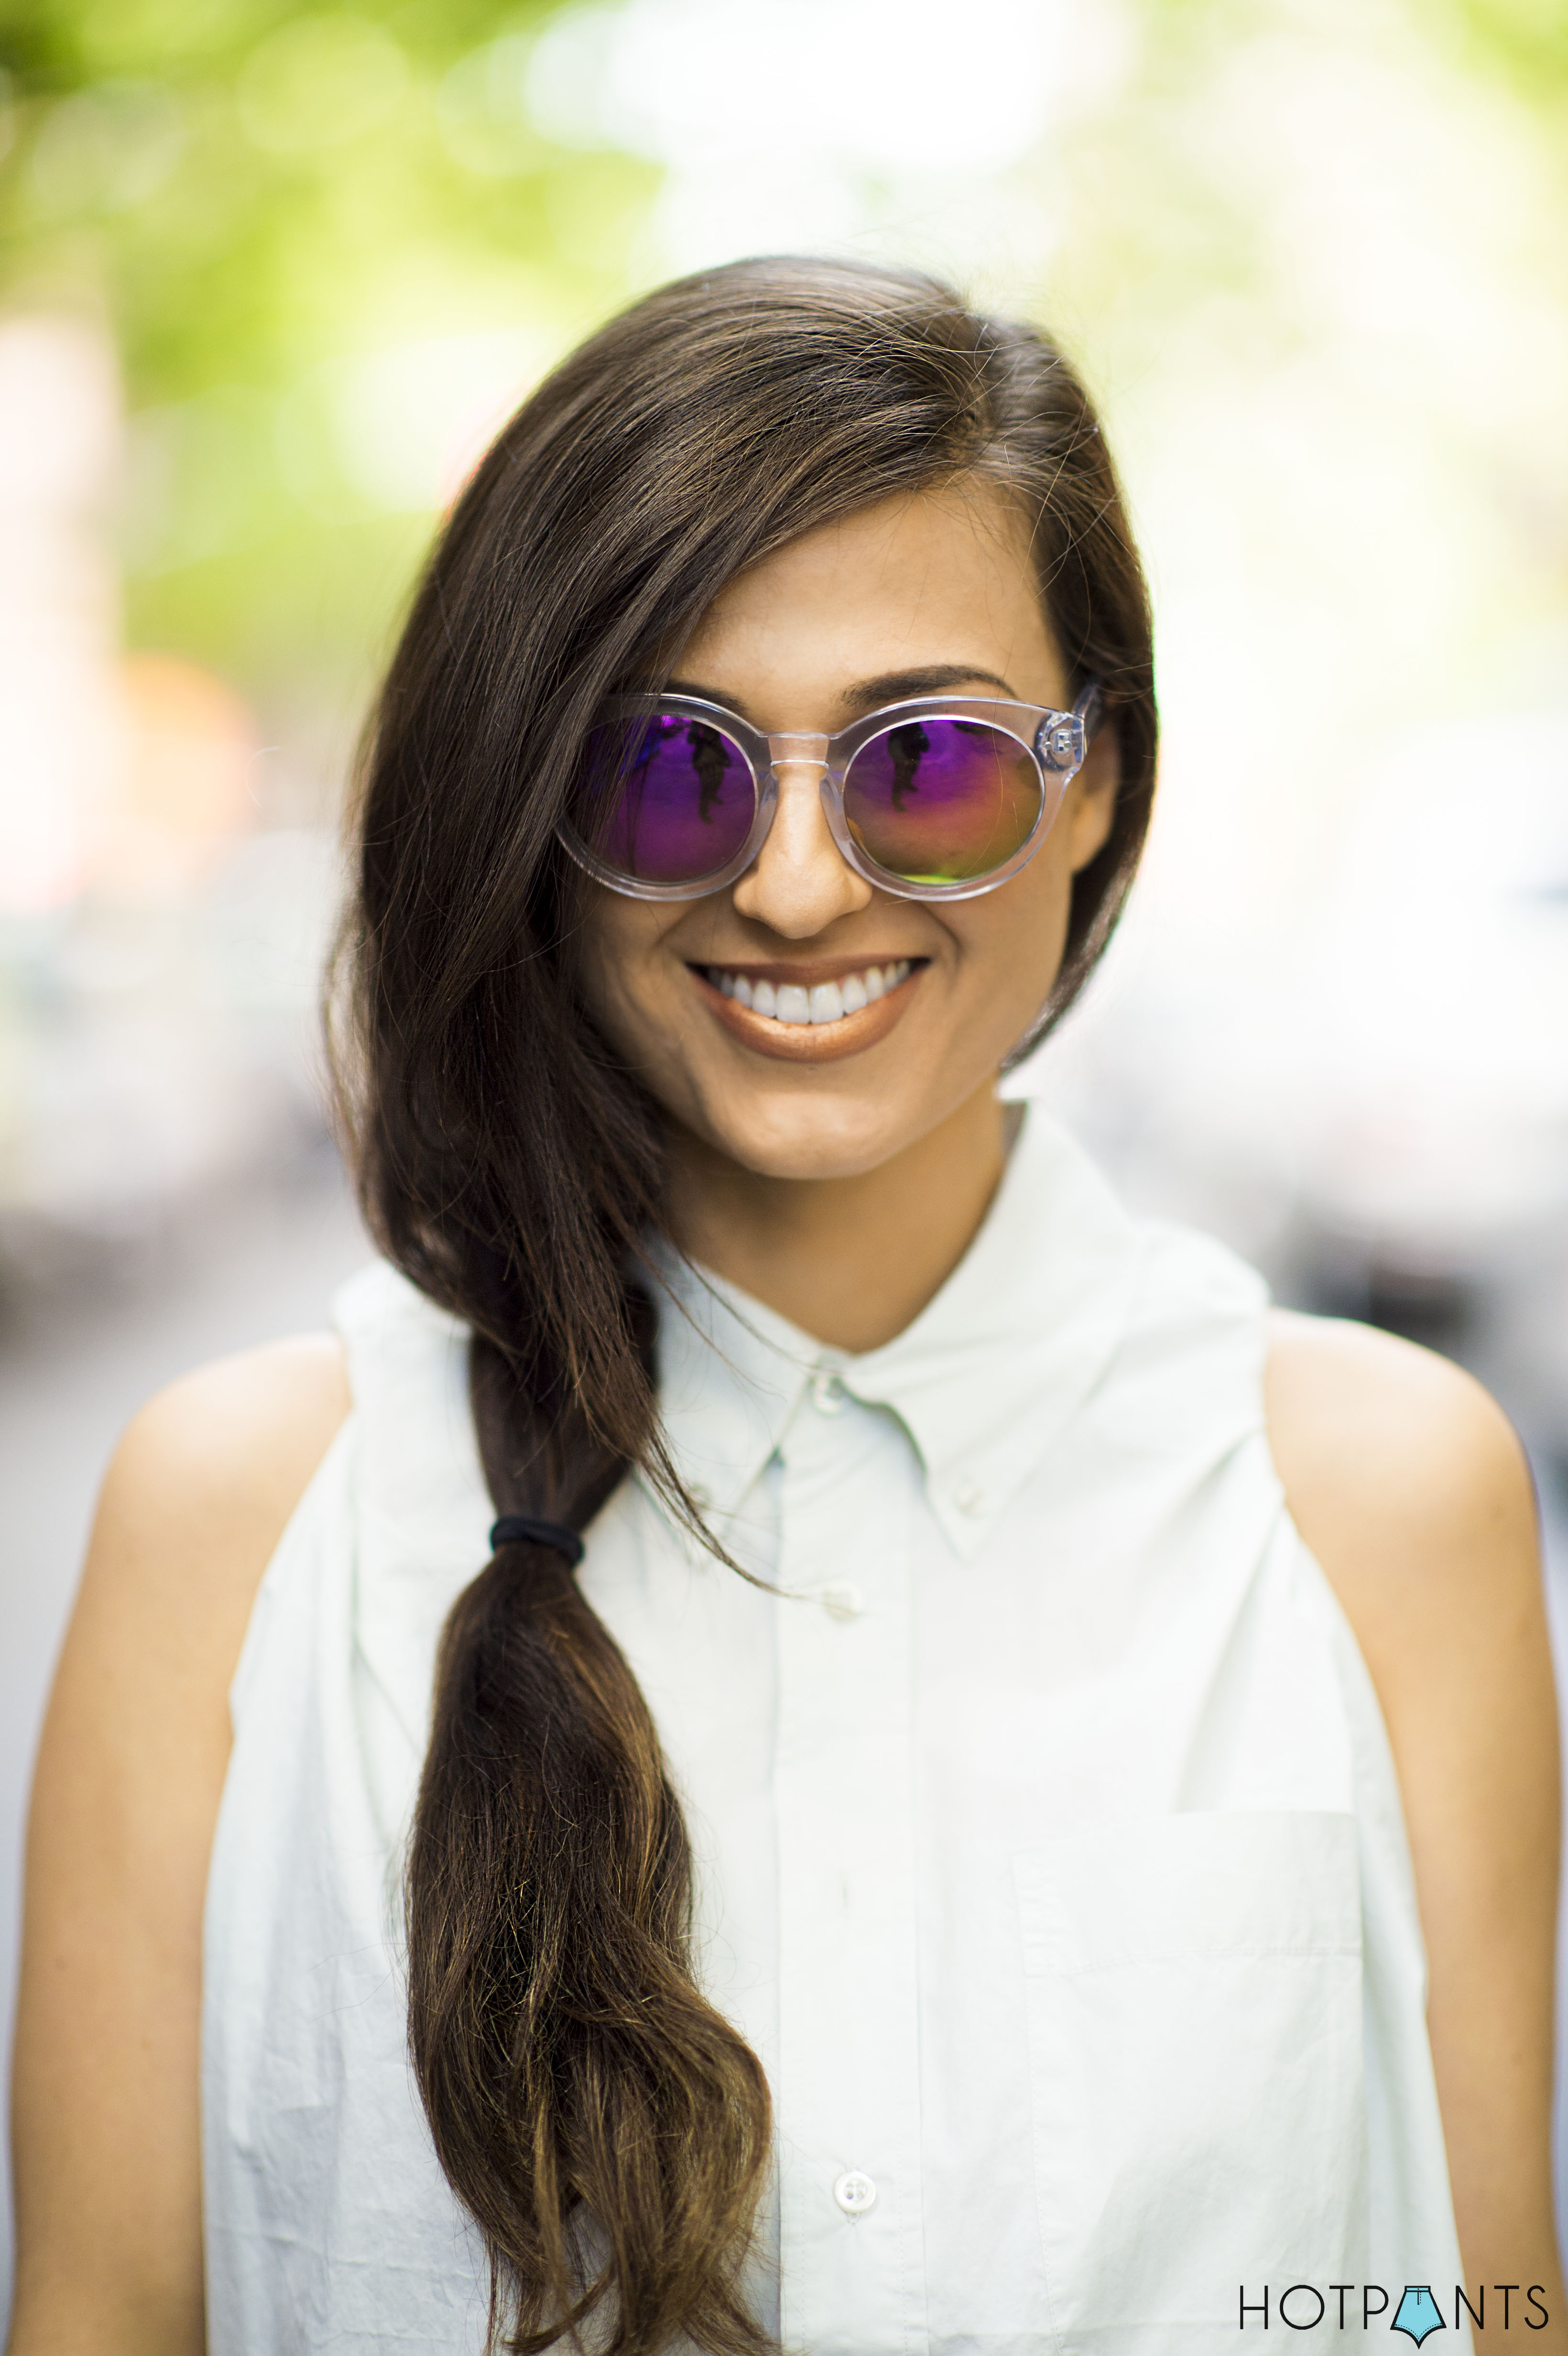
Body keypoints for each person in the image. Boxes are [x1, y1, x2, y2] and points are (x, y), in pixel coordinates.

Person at [7, 257, 1563, 2356]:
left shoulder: (1371, 1507)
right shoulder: (242, 1526)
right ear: (533, 813)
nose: (804, 883)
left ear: (1099, 783)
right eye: (672, 767)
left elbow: (1468, 2304)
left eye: (929, 764)